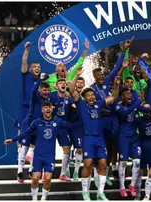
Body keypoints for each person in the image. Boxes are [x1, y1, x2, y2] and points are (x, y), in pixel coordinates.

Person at [69, 67, 120, 201]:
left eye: (92, 95)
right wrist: (77, 76)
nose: (91, 96)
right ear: (84, 98)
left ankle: (100, 194)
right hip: (88, 139)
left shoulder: (98, 104)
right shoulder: (81, 105)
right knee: (88, 164)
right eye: (88, 95)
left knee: (103, 164)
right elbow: (72, 91)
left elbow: (113, 97)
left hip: (100, 139)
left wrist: (116, 85)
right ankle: (85, 192)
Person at [4, 101, 72, 200]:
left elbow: (71, 126)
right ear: (42, 110)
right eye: (45, 107)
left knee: (48, 178)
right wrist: (13, 139)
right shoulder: (37, 122)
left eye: (49, 107)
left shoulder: (58, 122)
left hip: (50, 157)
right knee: (35, 178)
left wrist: (83, 123)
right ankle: (34, 199)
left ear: (52, 109)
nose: (47, 109)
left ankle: (43, 199)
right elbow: (25, 133)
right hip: (38, 156)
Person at [90, 46, 127, 186]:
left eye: (101, 75)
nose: (101, 77)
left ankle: (112, 170)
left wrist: (123, 53)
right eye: (98, 76)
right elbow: (91, 105)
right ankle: (98, 171)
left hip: (113, 119)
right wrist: (100, 110)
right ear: (94, 77)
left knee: (114, 146)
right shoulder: (92, 89)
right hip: (101, 121)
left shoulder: (107, 81)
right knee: (103, 147)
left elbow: (116, 69)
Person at [115, 74, 151, 198]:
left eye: (131, 94)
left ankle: (131, 185)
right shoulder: (119, 106)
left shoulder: (135, 107)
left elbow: (149, 111)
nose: (130, 95)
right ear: (122, 96)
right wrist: (138, 102)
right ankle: (121, 187)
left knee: (137, 161)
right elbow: (126, 112)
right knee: (124, 162)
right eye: (127, 94)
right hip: (123, 137)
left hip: (134, 137)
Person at [16, 41, 41, 183]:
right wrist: (26, 50)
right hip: (24, 109)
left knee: (34, 141)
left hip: (35, 111)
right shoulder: (26, 75)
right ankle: (19, 168)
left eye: (39, 67)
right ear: (31, 69)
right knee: (23, 138)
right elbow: (24, 62)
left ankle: (31, 169)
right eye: (35, 67)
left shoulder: (42, 83)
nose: (37, 68)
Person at [50, 79, 74, 181]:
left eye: (64, 83)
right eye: (60, 83)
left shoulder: (69, 98)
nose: (63, 84)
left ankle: (63, 174)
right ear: (56, 86)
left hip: (64, 127)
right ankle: (45, 173)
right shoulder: (51, 96)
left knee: (67, 150)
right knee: (48, 150)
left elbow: (74, 108)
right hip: (52, 126)